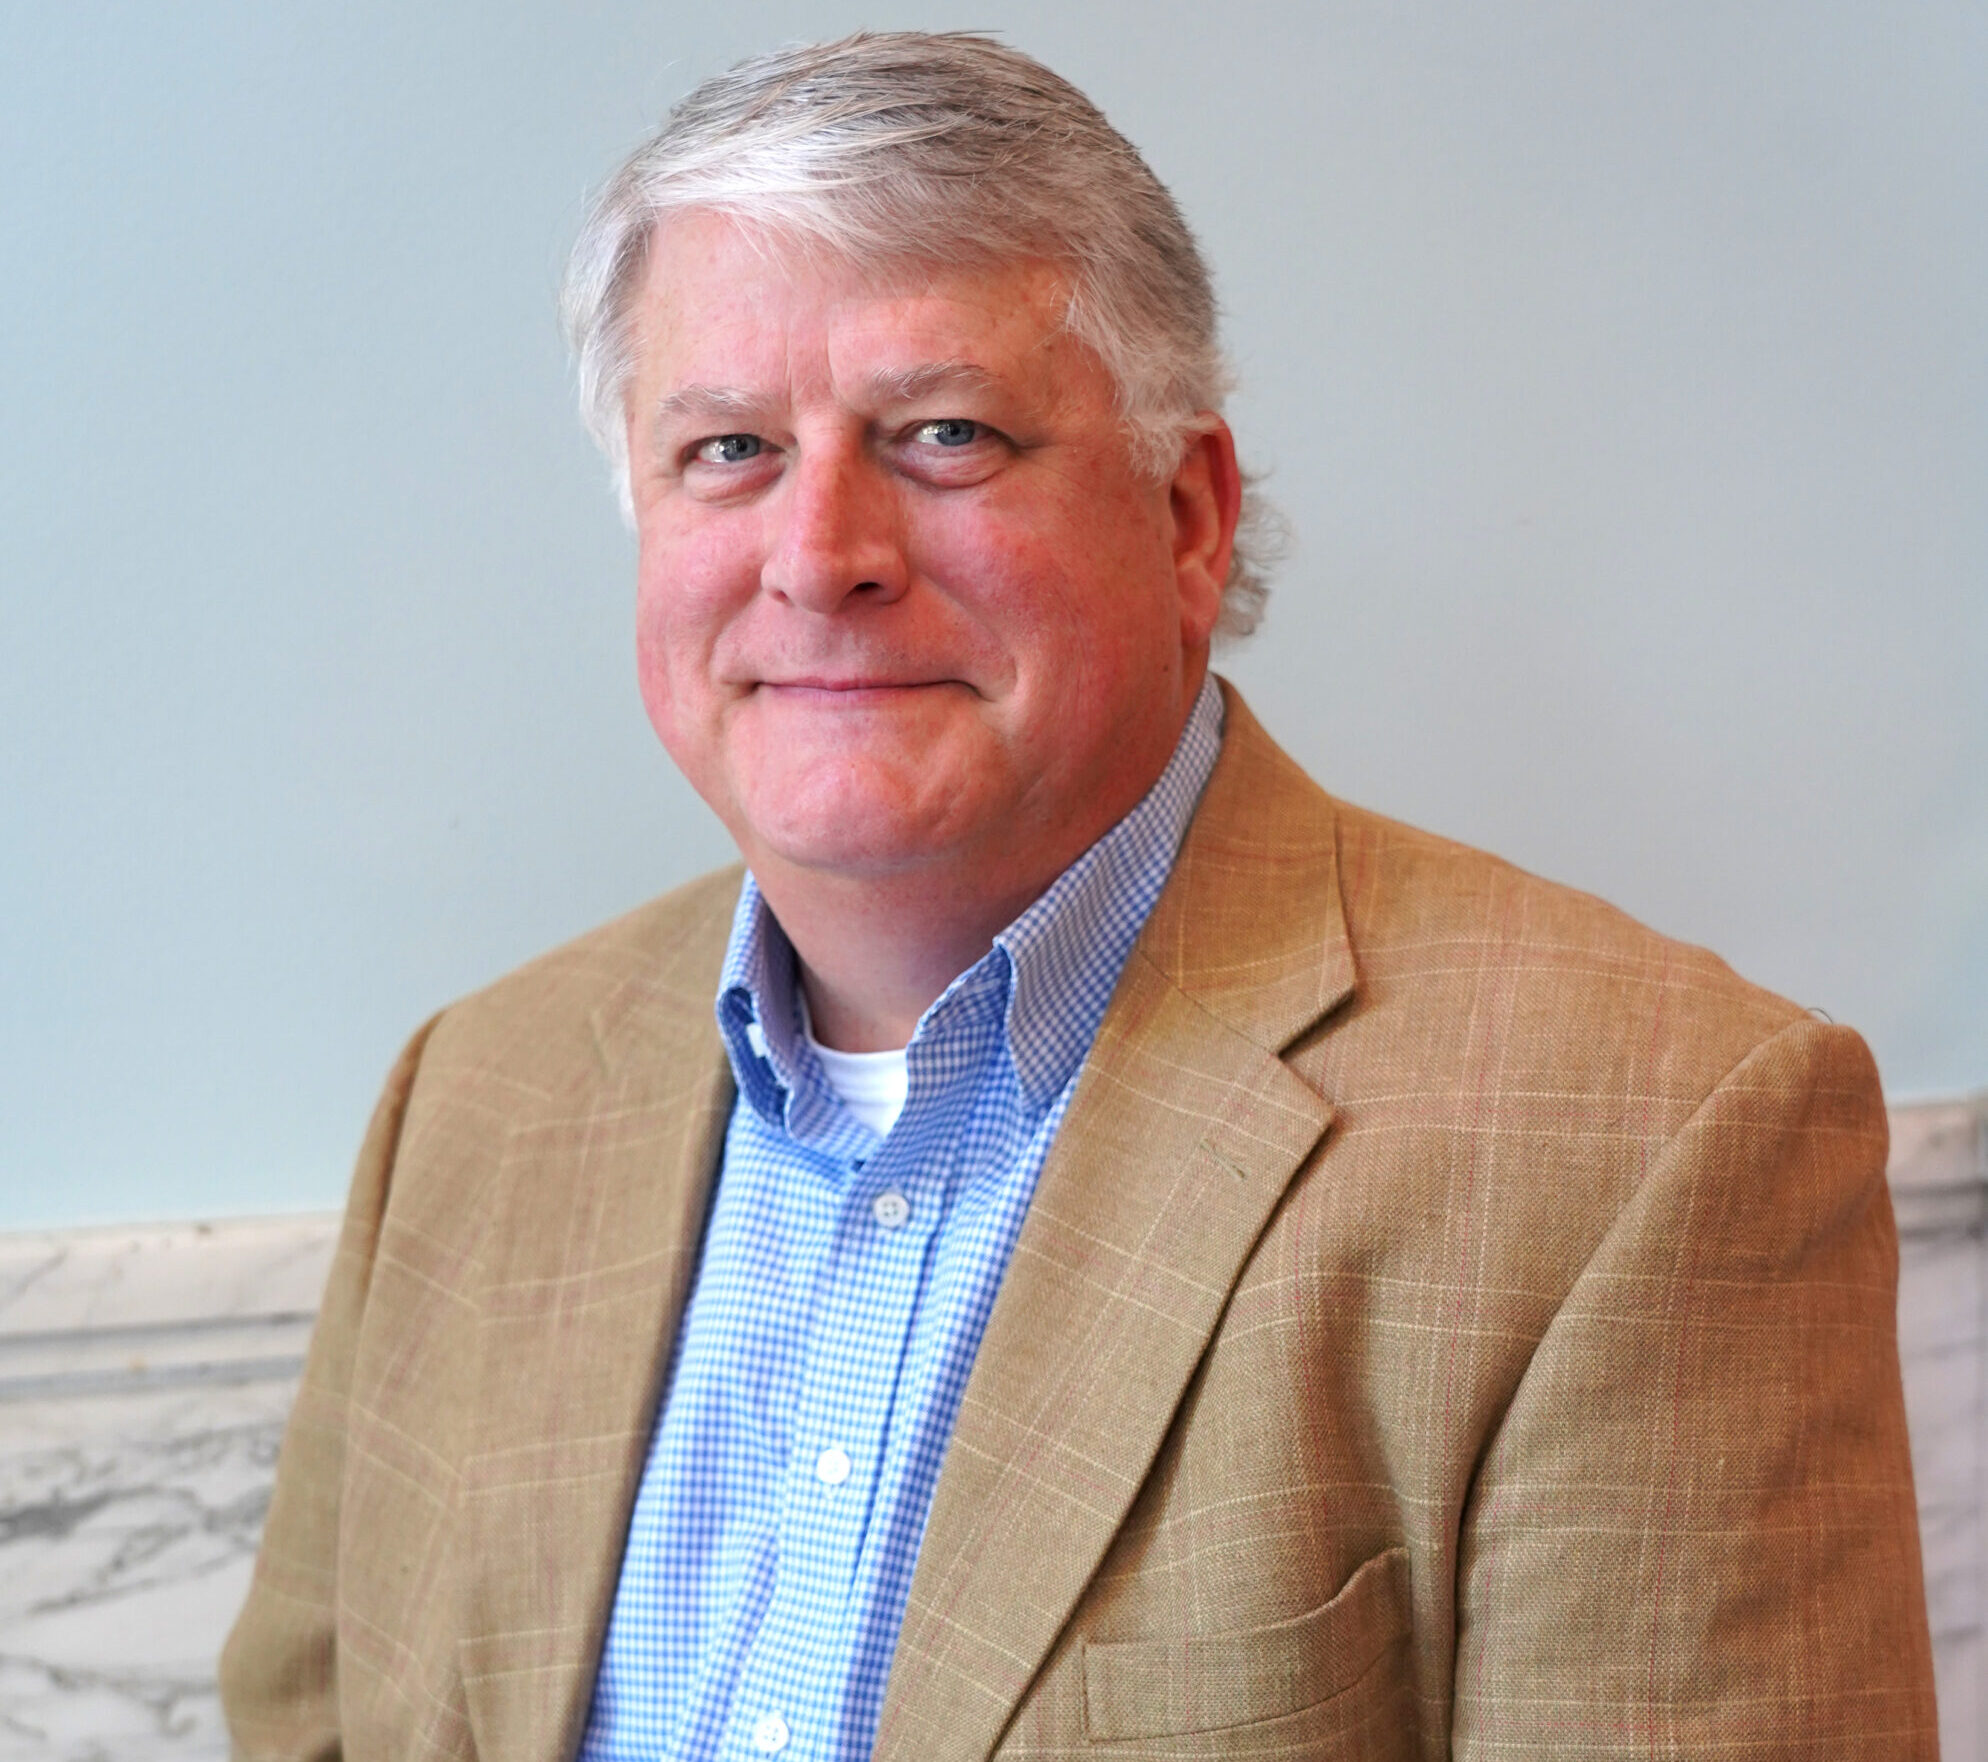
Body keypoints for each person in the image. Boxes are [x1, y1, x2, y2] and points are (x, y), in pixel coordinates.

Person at [220, 31, 1937, 1762]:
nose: (821, 554)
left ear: (1188, 517)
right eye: (730, 449)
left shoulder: (1647, 1142)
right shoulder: (475, 1102)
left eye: (944, 434)